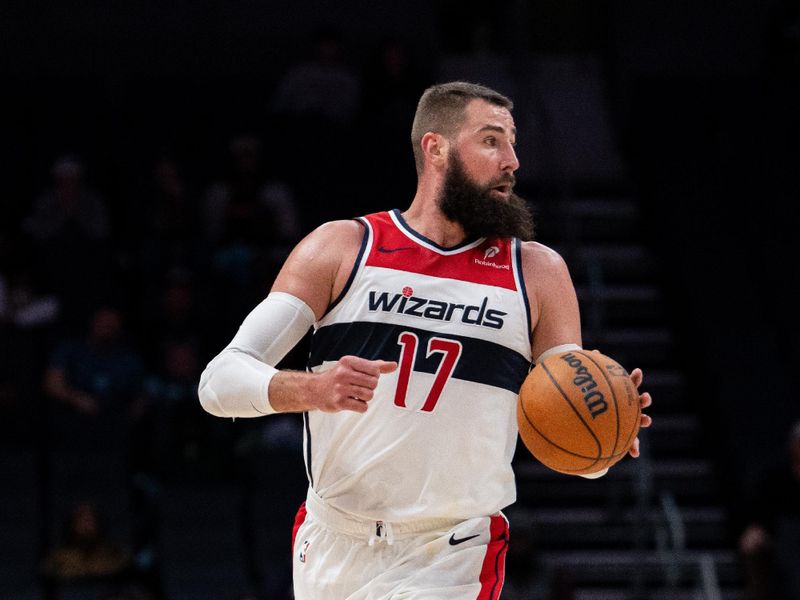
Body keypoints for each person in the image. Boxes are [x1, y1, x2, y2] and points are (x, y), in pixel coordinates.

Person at [199, 81, 653, 599]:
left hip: (453, 552)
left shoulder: (537, 272)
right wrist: (311, 390)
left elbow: (567, 427)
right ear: (434, 148)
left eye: (513, 142)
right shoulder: (344, 248)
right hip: (331, 542)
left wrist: (606, 435)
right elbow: (219, 382)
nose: (512, 160)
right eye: (491, 140)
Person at [738, 419, 800, 600]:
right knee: (752, 544)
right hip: (782, 539)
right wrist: (757, 529)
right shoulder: (776, 477)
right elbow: (760, 511)